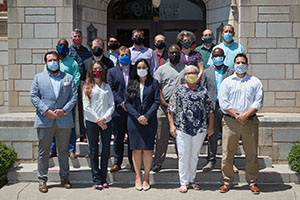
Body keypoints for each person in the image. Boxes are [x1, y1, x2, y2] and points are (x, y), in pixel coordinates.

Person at [30, 51, 77, 193]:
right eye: (50, 60)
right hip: (45, 120)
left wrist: (64, 110)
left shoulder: (68, 78)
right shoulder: (39, 78)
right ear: (46, 63)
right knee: (43, 151)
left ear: (59, 61)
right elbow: (34, 96)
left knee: (63, 150)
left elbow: (74, 97)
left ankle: (65, 177)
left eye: (55, 59)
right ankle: (42, 180)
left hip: (64, 120)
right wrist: (46, 111)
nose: (53, 62)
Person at [218, 53, 263, 194]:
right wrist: (236, 115)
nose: (240, 65)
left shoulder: (255, 82)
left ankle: (252, 182)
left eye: (242, 62)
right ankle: (227, 181)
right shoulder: (227, 82)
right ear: (234, 65)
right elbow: (223, 102)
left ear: (247, 65)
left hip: (250, 122)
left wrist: (245, 115)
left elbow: (258, 102)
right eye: (237, 62)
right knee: (227, 153)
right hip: (231, 122)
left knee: (251, 153)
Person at [168, 65, 214, 193]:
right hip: (182, 128)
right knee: (184, 155)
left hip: (200, 129)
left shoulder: (203, 91)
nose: (191, 75)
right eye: (188, 73)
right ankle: (183, 182)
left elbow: (210, 110)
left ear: (198, 74)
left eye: (194, 72)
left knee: (194, 155)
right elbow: (170, 109)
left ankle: (192, 180)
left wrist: (210, 127)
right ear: (184, 76)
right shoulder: (179, 90)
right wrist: (172, 125)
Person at [125, 59, 160, 191]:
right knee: (136, 149)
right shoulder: (131, 83)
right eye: (139, 67)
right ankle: (138, 177)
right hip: (134, 122)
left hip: (149, 121)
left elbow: (156, 102)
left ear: (148, 68)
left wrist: (146, 116)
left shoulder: (154, 83)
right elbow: (127, 103)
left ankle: (146, 178)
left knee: (148, 149)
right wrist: (137, 116)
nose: (141, 69)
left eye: (143, 67)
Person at [152, 44, 186, 173]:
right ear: (168, 54)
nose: (174, 55)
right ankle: (158, 162)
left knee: (181, 137)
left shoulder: (186, 68)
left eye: (177, 52)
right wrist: (163, 102)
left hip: (181, 108)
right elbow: (158, 88)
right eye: (172, 53)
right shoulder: (161, 69)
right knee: (161, 136)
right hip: (163, 106)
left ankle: (182, 162)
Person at [201, 47, 234, 172]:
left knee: (229, 135)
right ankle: (211, 160)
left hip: (227, 107)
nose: (218, 58)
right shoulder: (206, 72)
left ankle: (230, 162)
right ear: (212, 58)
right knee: (212, 135)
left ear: (224, 58)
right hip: (212, 108)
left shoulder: (231, 72)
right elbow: (203, 90)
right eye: (215, 56)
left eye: (220, 56)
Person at [82, 61, 114, 190]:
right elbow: (86, 106)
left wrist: (104, 118)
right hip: (92, 122)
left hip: (106, 122)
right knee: (94, 150)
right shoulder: (87, 87)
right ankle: (96, 179)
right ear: (91, 70)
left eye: (99, 69)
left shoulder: (107, 86)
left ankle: (103, 177)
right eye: (95, 69)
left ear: (103, 71)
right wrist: (98, 120)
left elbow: (112, 104)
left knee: (105, 150)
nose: (97, 71)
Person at [49, 38, 81, 159]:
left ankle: (71, 149)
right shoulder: (53, 62)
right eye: (60, 45)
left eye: (64, 45)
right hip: (54, 99)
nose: (62, 47)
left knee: (70, 124)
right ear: (56, 47)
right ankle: (53, 149)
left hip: (67, 100)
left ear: (67, 48)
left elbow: (76, 78)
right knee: (53, 124)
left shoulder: (72, 63)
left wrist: (70, 92)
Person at [107, 46, 133, 172]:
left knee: (132, 137)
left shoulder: (136, 70)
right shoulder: (111, 72)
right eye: (122, 54)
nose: (124, 56)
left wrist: (130, 104)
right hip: (118, 110)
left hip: (133, 110)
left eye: (126, 54)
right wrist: (121, 102)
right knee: (118, 137)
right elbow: (111, 89)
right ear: (118, 57)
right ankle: (117, 162)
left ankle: (134, 162)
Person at [69, 28, 92, 143]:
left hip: (83, 83)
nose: (77, 38)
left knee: (83, 109)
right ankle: (71, 135)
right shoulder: (68, 52)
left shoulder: (87, 51)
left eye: (79, 36)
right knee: (71, 109)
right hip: (71, 84)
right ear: (72, 38)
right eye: (75, 36)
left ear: (82, 38)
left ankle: (83, 134)